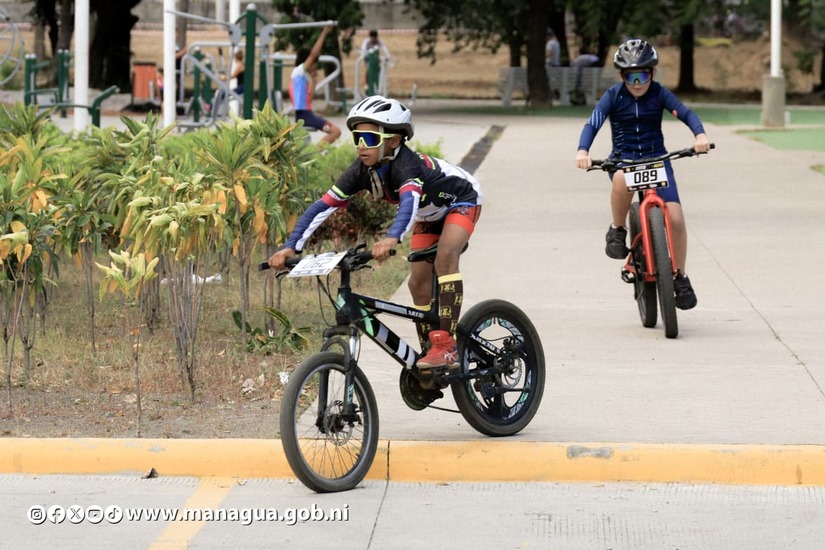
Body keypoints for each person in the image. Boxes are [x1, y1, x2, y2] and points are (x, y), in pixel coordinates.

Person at [268, 95, 483, 371]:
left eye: (369, 138)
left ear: (394, 140)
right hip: (428, 214)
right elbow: (322, 206)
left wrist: (393, 237)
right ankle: (428, 357)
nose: (361, 145)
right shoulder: (360, 170)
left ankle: (446, 346)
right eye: (357, 137)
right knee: (417, 284)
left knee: (445, 258)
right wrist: (291, 246)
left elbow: (409, 203)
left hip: (461, 201)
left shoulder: (408, 165)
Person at [574, 38, 710, 310]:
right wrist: (582, 151)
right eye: (630, 77)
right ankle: (617, 229)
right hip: (623, 159)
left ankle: (680, 276)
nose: (637, 83)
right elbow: (593, 123)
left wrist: (700, 135)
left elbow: (685, 113)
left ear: (653, 73)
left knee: (676, 218)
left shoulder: (659, 93)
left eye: (643, 76)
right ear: (622, 76)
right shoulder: (613, 95)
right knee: (620, 179)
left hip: (657, 159)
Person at [290, 25, 341, 144]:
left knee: (335, 131)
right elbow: (313, 54)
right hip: (304, 116)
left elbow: (309, 100)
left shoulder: (302, 78)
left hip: (306, 114)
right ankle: (315, 153)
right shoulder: (299, 71)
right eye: (313, 63)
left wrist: (314, 82)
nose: (315, 66)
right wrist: (324, 32)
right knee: (335, 131)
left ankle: (315, 152)